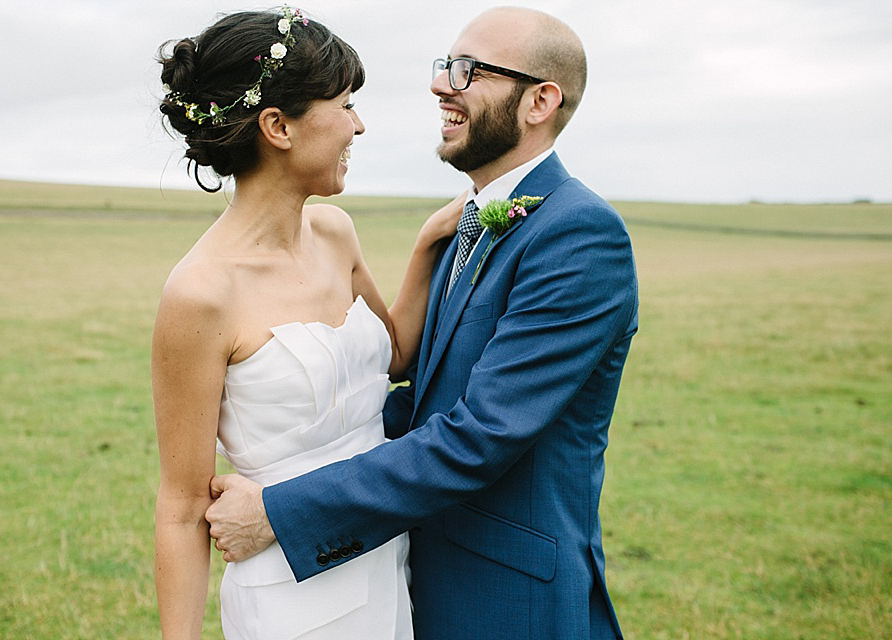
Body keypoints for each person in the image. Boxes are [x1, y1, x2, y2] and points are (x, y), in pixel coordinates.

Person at [207, 6, 639, 640]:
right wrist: (290, 445)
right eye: (444, 66)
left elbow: (478, 436)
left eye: (468, 71)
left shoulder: (578, 235)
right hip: (408, 578)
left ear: (540, 101)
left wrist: (281, 509)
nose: (442, 85)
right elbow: (426, 401)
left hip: (505, 601)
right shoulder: (474, 220)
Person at [151, 7, 465, 639]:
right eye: (345, 104)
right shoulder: (200, 295)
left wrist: (430, 241)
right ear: (278, 126)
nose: (359, 125)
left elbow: (396, 355)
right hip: (290, 596)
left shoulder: (333, 232)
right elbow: (183, 508)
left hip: (385, 557)